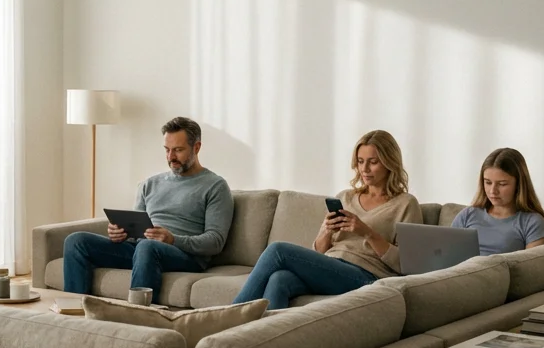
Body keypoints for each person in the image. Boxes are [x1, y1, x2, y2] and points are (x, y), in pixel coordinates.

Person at [233, 130, 423, 310]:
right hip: (331, 265)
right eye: (360, 161)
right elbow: (321, 251)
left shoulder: (405, 204)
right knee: (279, 279)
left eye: (373, 162)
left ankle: (230, 317)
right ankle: (265, 341)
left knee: (278, 250)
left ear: (389, 163)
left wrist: (366, 232)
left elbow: (408, 264)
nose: (364, 169)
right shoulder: (346, 197)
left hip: (366, 275)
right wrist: (326, 231)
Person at [62, 117, 234, 305]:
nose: (171, 157)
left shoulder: (215, 186)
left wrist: (173, 239)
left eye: (178, 150)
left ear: (197, 147)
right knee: (76, 241)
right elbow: (136, 232)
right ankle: (72, 312)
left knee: (147, 246)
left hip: (185, 255)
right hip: (143, 249)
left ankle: (138, 318)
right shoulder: (150, 184)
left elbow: (215, 241)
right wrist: (121, 234)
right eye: (167, 150)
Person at [451, 148, 544, 256]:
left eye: (502, 184)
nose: (493, 191)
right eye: (488, 182)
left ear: (519, 185)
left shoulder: (532, 223)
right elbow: (447, 253)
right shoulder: (467, 215)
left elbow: (531, 267)